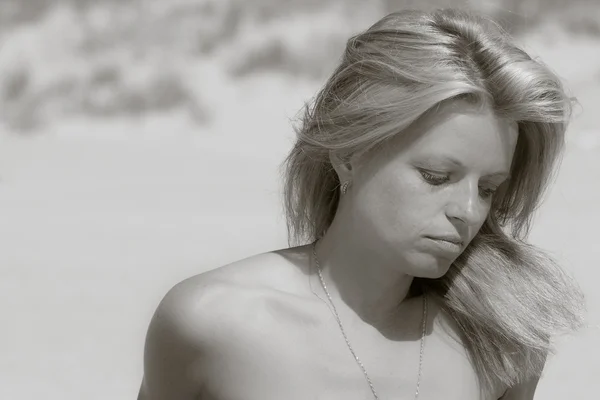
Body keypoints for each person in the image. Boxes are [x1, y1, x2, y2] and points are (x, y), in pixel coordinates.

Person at [137, 8, 585, 400]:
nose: (468, 210)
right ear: (350, 156)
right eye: (435, 177)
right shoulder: (212, 322)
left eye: (488, 188)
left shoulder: (503, 340)